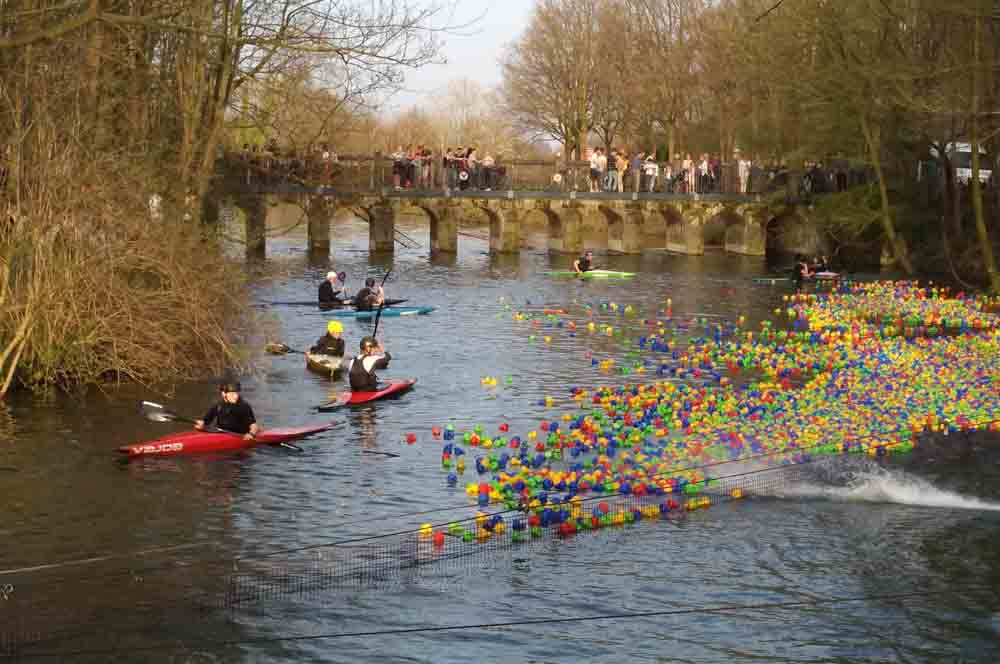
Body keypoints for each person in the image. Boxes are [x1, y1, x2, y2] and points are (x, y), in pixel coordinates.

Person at [195, 381, 259, 440]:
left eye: (236, 393)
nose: (235, 397)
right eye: (232, 394)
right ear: (223, 394)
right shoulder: (218, 405)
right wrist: (201, 424)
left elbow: (254, 426)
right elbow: (206, 421)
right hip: (220, 434)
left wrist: (251, 434)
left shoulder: (243, 406)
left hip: (239, 436)